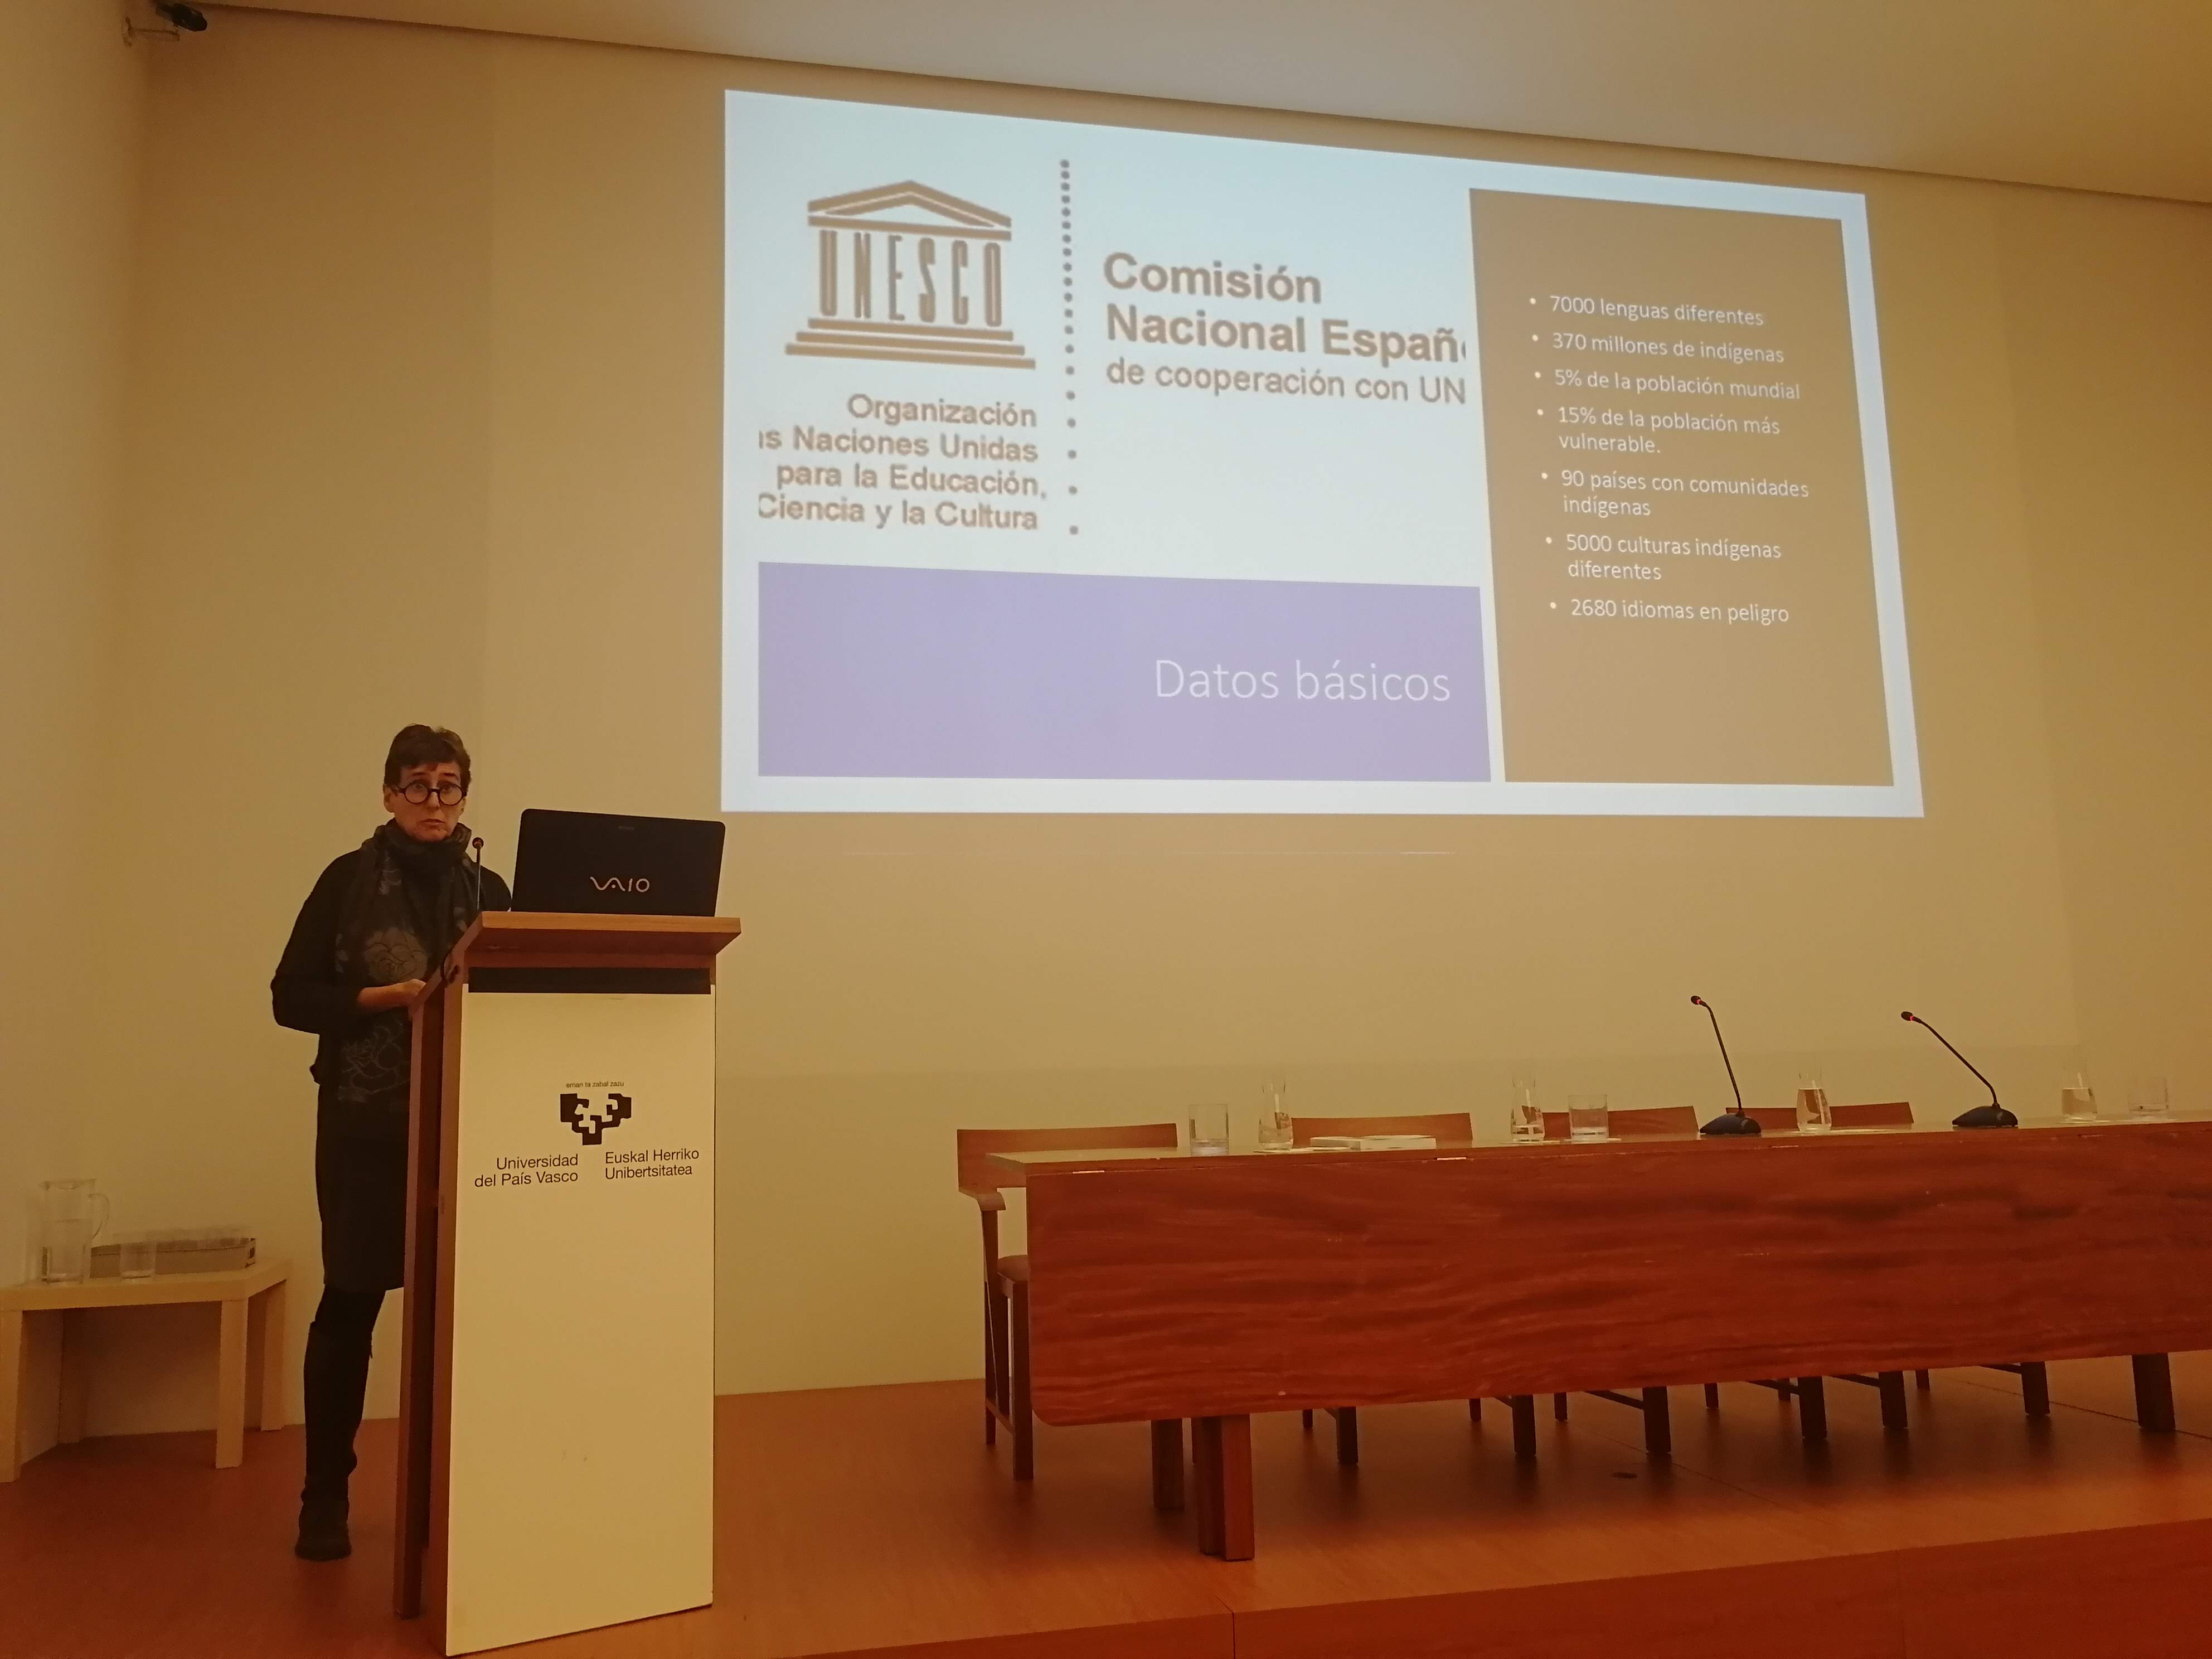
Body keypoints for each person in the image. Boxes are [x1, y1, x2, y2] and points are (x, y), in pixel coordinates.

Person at [270, 724, 510, 1561]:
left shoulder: (490, 889)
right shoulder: (346, 881)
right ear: (388, 794)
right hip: (367, 1123)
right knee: (352, 1302)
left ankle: (469, 1487)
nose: (433, 802)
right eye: (417, 786)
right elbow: (290, 997)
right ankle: (325, 1497)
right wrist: (376, 1000)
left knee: (474, 1314)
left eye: (448, 786)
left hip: (471, 1126)